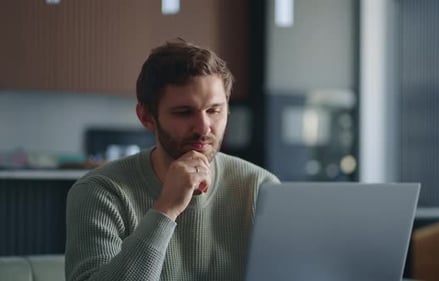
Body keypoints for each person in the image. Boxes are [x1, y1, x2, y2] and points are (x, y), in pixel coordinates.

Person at [65, 40, 280, 281]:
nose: (203, 128)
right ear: (146, 117)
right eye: (184, 112)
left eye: (214, 110)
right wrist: (166, 209)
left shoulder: (260, 187)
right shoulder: (100, 192)